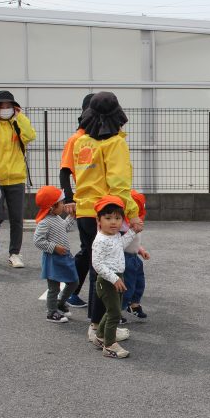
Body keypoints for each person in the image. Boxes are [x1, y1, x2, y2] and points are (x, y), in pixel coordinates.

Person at [72, 92, 141, 343]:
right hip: (105, 213)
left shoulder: (82, 143)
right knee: (107, 273)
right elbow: (119, 185)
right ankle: (98, 328)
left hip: (85, 212)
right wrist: (131, 215)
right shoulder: (115, 144)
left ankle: (96, 326)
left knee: (96, 269)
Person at [0, 90, 36, 268]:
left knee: (17, 218)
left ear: (14, 108)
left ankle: (14, 254)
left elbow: (31, 136)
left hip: (17, 179)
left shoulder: (18, 126)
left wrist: (20, 117)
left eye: (8, 106)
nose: (5, 109)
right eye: (1, 107)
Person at [91, 195, 140, 359]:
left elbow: (121, 244)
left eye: (118, 218)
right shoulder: (100, 240)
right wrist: (114, 278)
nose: (113, 222)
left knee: (113, 310)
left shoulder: (115, 236)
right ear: (98, 220)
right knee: (114, 313)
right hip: (107, 281)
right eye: (108, 218)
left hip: (116, 279)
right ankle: (110, 345)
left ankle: (100, 336)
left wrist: (133, 231)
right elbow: (97, 265)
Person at [60, 93, 95, 308]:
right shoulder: (76, 139)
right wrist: (70, 198)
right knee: (90, 251)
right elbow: (65, 171)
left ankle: (73, 290)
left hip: (100, 205)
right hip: (84, 203)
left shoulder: (102, 137)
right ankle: (74, 291)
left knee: (91, 250)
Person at [33, 186, 79, 324]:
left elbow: (63, 228)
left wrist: (72, 217)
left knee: (73, 282)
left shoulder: (57, 218)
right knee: (54, 287)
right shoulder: (45, 222)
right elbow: (37, 241)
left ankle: (60, 302)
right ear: (52, 206)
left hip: (64, 256)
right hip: (53, 258)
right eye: (61, 202)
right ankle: (51, 312)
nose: (64, 205)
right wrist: (54, 248)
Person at [122, 190, 150, 320]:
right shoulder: (123, 224)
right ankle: (118, 311)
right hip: (125, 258)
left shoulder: (136, 221)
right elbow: (122, 243)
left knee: (139, 283)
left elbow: (135, 242)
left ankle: (134, 305)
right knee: (127, 286)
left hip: (135, 258)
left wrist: (141, 250)